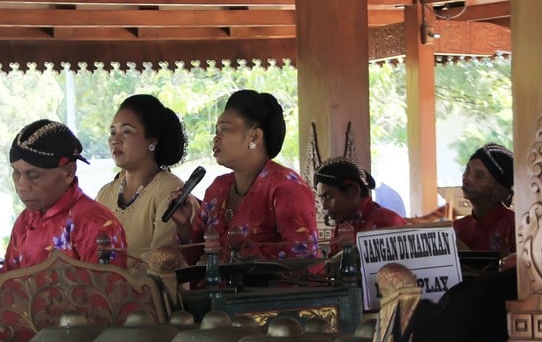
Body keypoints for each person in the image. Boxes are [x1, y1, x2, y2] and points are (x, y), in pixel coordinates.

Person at [171, 89, 319, 262]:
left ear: (254, 136)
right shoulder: (218, 188)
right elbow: (194, 256)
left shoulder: (286, 186)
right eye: (216, 130)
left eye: (225, 129)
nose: (216, 138)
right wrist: (183, 225)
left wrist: (237, 257)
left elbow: (304, 253)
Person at [5, 119, 128, 272]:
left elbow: (108, 292)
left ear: (69, 172)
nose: (21, 186)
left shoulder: (96, 225)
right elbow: (7, 286)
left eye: (33, 175)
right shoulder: (24, 221)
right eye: (16, 173)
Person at [95, 94, 187, 267]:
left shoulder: (169, 190)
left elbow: (162, 259)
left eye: (127, 131)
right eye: (113, 132)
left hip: (149, 291)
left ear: (151, 141)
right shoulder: (105, 193)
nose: (115, 140)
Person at [314, 158, 408, 255]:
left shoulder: (387, 223)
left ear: (353, 191)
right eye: (322, 198)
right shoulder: (343, 225)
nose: (324, 206)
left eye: (328, 197)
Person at [454, 143, 515, 253]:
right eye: (467, 171)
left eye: (479, 176)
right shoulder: (457, 228)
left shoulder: (515, 228)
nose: (467, 179)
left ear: (499, 192)